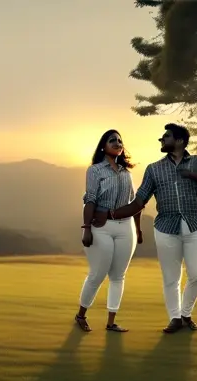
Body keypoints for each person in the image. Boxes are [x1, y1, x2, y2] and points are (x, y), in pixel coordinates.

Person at [111, 123, 197, 334]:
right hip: (165, 228)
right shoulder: (154, 169)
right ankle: (175, 318)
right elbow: (139, 201)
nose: (161, 140)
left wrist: (191, 175)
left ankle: (186, 313)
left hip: (195, 225)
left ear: (179, 140)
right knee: (171, 278)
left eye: (166, 137)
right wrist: (112, 215)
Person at [75, 129, 143, 333]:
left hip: (126, 226)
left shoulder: (127, 173)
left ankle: (111, 322)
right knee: (97, 273)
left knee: (118, 276)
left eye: (120, 140)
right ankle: (80, 315)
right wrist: (86, 228)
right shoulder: (95, 170)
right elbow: (90, 199)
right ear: (103, 146)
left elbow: (134, 203)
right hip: (101, 227)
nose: (117, 143)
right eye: (112, 140)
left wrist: (138, 230)